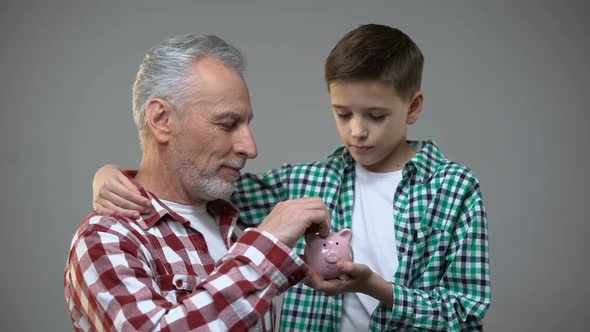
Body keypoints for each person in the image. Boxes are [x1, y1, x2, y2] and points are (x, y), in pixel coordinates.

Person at [92, 24, 491, 331]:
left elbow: (466, 313)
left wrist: (373, 286)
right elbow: (197, 183)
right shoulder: (301, 184)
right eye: (343, 114)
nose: (357, 131)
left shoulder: (453, 189)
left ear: (413, 106)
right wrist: (111, 175)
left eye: (376, 116)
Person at [64, 34, 332, 332]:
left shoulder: (241, 216)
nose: (251, 148)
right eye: (227, 124)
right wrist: (265, 249)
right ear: (162, 119)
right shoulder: (106, 238)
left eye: (247, 124)